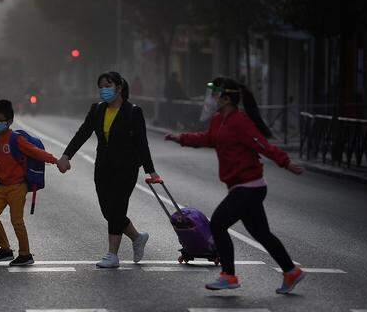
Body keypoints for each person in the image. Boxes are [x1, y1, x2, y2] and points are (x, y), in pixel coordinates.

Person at [165, 76, 306, 294]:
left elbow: (262, 145)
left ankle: (229, 275)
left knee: (218, 224)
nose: (212, 98)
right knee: (261, 233)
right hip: (242, 187)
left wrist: (286, 162)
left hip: (249, 186)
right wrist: (180, 138)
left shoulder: (240, 121)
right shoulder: (219, 120)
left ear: (227, 98)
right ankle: (290, 271)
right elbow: (207, 139)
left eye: (216, 93)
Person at [58, 71, 160, 268]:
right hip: (103, 167)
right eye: (101, 86)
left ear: (119, 87)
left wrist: (151, 171)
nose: (104, 90)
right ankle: (137, 238)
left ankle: (112, 255)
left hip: (127, 168)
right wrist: (66, 156)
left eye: (108, 85)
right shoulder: (97, 110)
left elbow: (141, 143)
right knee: (108, 210)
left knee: (117, 208)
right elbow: (82, 133)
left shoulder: (133, 112)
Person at [0, 100, 68, 266]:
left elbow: (36, 152)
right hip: (1, 187)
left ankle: (25, 254)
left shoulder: (16, 139)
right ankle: (5, 250)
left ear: (9, 122)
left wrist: (55, 161)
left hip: (18, 187)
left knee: (16, 220)